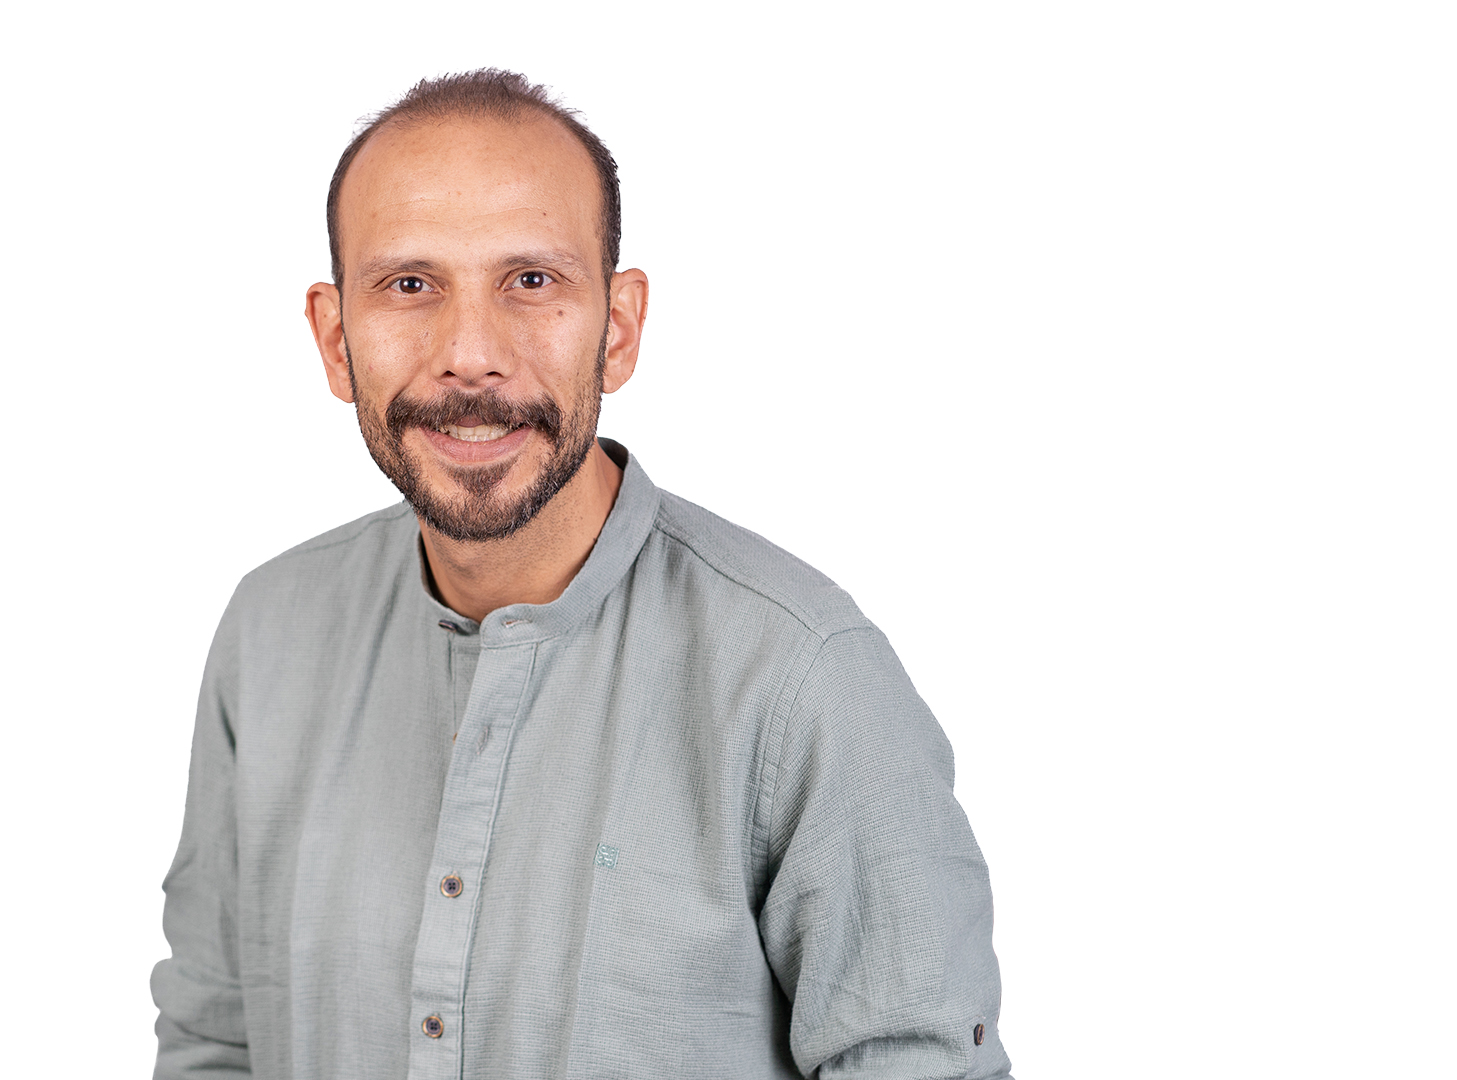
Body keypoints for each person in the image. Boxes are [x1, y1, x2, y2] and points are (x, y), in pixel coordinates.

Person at [151, 69, 1012, 1080]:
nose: (470, 356)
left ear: (619, 328)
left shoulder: (805, 678)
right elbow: (213, 1044)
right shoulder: (269, 635)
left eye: (531, 281)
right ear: (337, 341)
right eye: (411, 285)